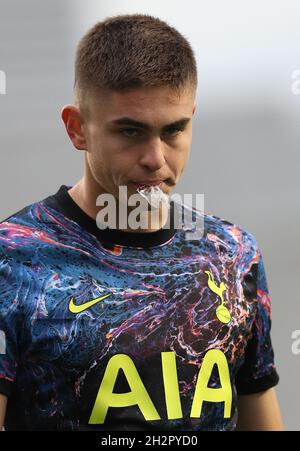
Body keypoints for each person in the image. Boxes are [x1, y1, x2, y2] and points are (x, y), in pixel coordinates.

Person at [0, 14, 283, 431]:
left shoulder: (233, 255)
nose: (155, 158)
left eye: (173, 131)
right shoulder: (13, 260)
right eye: (131, 132)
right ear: (78, 128)